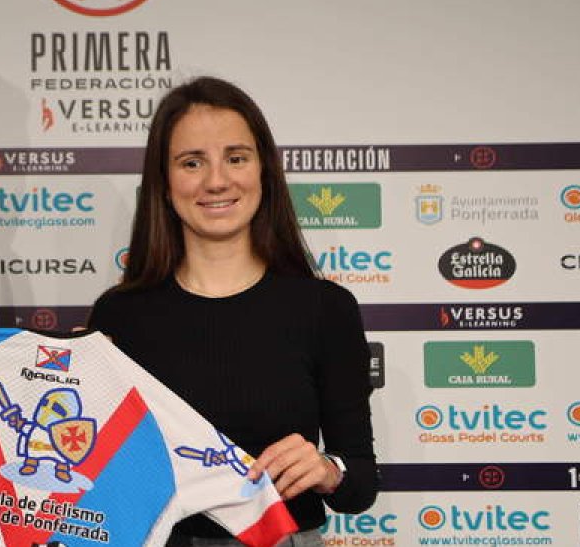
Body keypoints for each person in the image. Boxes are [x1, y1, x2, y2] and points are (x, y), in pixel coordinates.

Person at [87, 76, 377, 547]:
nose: (217, 180)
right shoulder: (119, 316)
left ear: (263, 170)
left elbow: (360, 486)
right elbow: (97, 479)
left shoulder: (325, 309)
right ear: (163, 182)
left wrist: (327, 470)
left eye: (236, 158)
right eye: (191, 162)